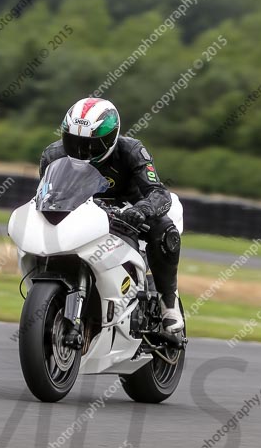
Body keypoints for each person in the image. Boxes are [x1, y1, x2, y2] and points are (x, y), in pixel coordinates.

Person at [39, 96, 184, 333]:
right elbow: (46, 194)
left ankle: (168, 301)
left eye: (92, 144)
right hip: (83, 211)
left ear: (111, 138)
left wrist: (142, 210)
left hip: (129, 211)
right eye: (74, 142)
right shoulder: (52, 155)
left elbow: (159, 192)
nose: (82, 151)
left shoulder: (132, 150)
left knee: (165, 229)